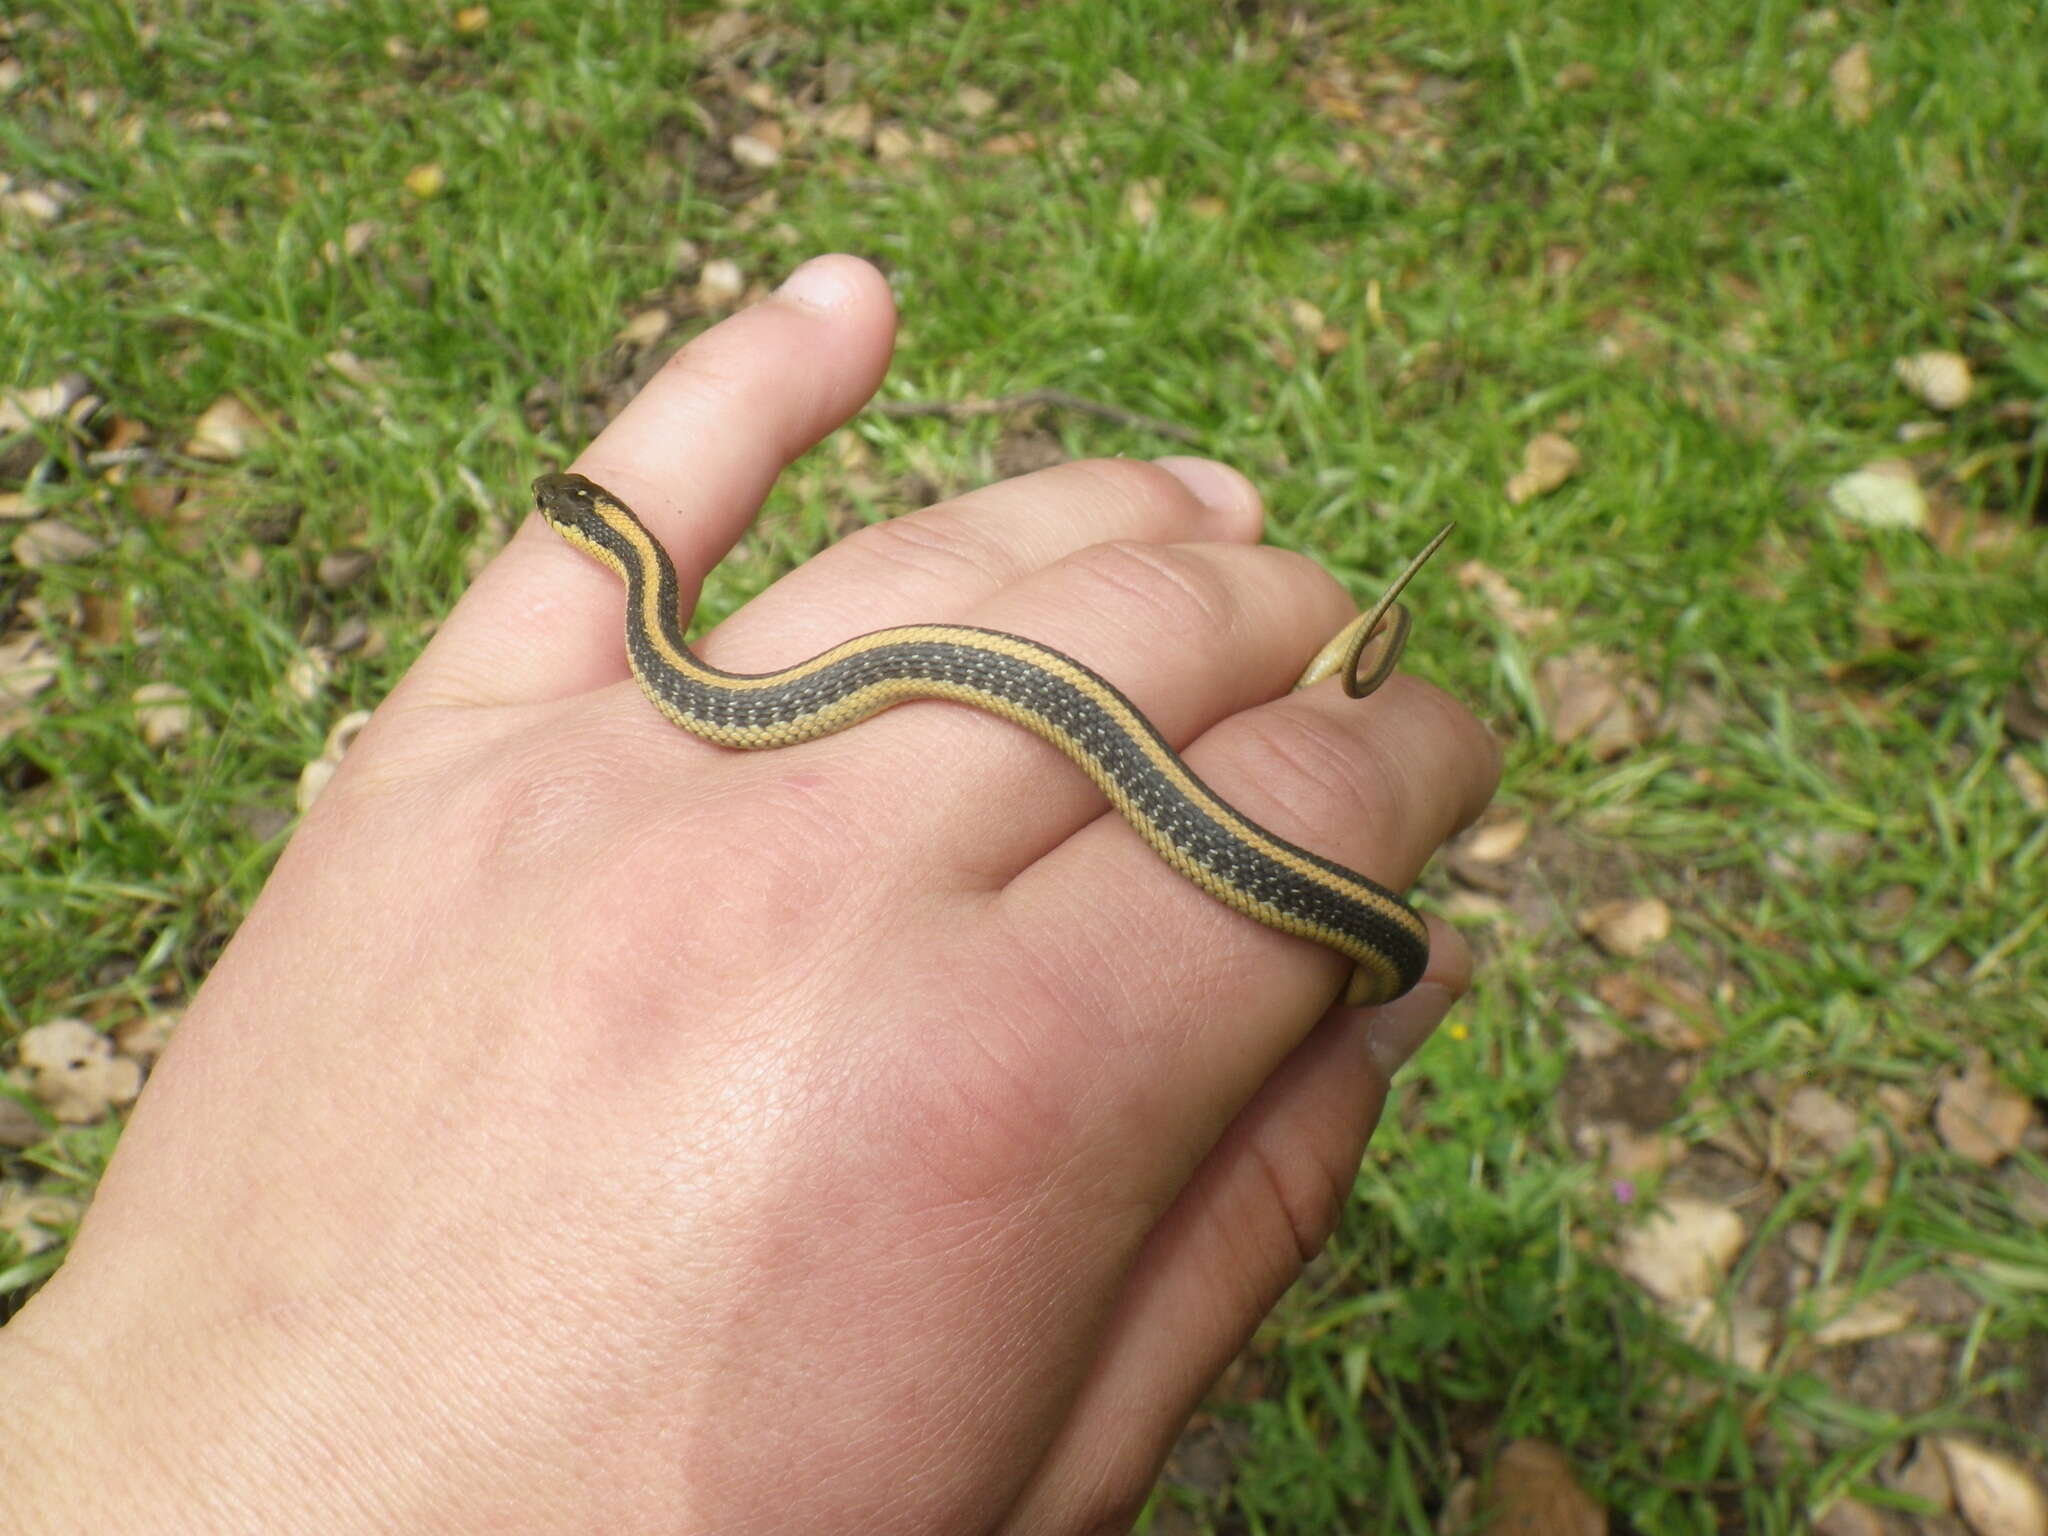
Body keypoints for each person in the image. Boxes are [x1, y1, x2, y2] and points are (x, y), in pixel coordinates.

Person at [0, 256, 1499, 1531]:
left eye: (574, 513)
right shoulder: (670, 648)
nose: (565, 514)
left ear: (604, 546)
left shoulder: (681, 651)